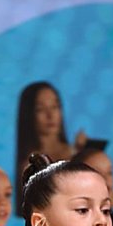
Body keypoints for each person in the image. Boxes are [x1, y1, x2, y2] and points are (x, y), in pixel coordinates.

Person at [14, 82, 86, 213]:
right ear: (28, 114)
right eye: (40, 109)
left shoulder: (79, 153)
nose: (50, 115)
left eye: (55, 106)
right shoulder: (29, 167)